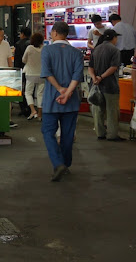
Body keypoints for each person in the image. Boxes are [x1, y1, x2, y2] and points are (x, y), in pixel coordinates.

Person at [40, 21, 84, 182]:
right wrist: (68, 92)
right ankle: (66, 163)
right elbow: (77, 76)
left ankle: (58, 164)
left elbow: (46, 72)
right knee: (67, 134)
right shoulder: (76, 53)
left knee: (48, 132)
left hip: (51, 100)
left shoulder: (47, 51)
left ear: (54, 33)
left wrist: (59, 89)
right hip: (71, 102)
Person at [88, 29, 123, 141]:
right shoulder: (115, 50)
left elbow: (90, 67)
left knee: (98, 110)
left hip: (97, 86)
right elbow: (113, 67)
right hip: (110, 85)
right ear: (113, 38)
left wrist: (95, 78)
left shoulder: (96, 49)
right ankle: (112, 135)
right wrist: (102, 77)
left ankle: (100, 133)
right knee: (112, 110)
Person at [23, 32, 45, 120]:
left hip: (30, 73)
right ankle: (40, 114)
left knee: (28, 93)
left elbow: (24, 60)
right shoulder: (44, 48)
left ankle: (33, 110)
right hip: (42, 74)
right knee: (40, 94)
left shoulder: (29, 48)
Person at [14, 27, 32, 117]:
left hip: (21, 68)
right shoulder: (32, 43)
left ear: (22, 34)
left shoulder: (18, 44)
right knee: (29, 90)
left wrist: (16, 69)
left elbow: (17, 59)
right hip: (31, 70)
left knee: (21, 89)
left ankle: (24, 108)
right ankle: (30, 108)